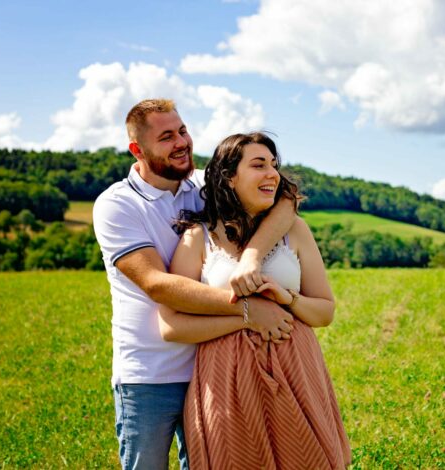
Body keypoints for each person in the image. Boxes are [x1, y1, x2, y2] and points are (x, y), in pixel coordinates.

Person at [93, 99, 296, 470]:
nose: (181, 142)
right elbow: (157, 284)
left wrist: (251, 256)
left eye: (183, 131)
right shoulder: (117, 205)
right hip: (149, 373)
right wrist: (248, 311)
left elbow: (286, 200)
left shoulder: (204, 184)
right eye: (167, 137)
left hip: (213, 366)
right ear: (137, 150)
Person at [158, 132, 351, 469]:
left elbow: (325, 311)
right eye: (258, 165)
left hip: (296, 371)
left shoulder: (296, 230)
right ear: (229, 178)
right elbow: (171, 326)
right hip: (226, 381)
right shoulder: (198, 237)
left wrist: (287, 299)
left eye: (274, 165)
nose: (272, 174)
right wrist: (248, 316)